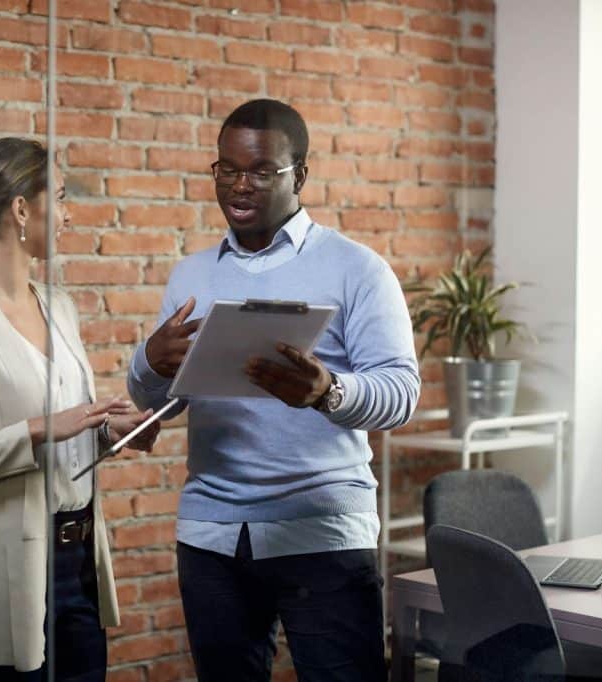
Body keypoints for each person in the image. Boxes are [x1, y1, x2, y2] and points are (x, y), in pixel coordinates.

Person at [127, 99, 421, 681]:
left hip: (323, 531)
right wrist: (149, 364)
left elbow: (401, 393)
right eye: (227, 169)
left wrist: (328, 391)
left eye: (262, 171)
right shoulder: (191, 274)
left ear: (300, 176)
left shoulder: (357, 269)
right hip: (211, 536)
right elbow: (155, 405)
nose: (241, 185)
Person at [0, 137, 159, 682]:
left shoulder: (59, 306)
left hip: (78, 563)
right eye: (59, 197)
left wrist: (109, 431)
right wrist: (38, 429)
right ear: (22, 209)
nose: (67, 215)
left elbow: (65, 440)